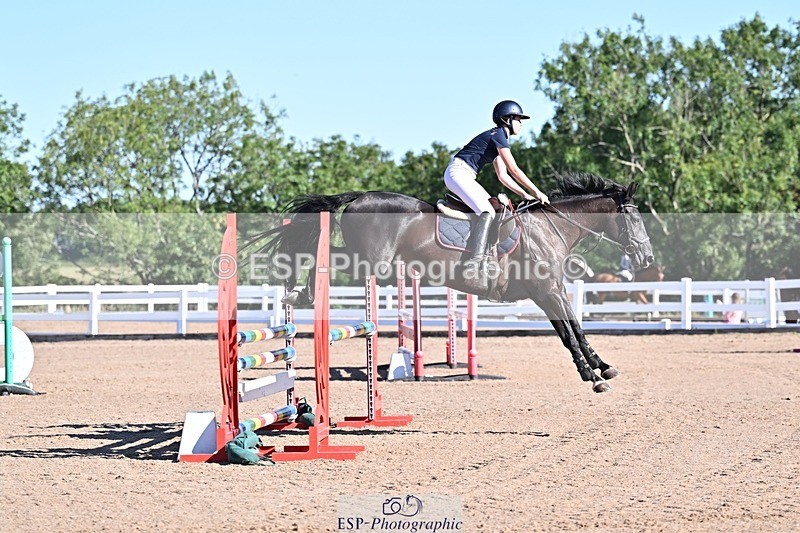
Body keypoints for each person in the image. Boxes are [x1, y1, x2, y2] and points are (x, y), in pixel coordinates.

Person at [444, 100, 550, 289]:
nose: (521, 123)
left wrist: (525, 195)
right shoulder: (498, 135)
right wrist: (537, 192)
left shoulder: (497, 138)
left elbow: (503, 177)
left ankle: (485, 256)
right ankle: (475, 261)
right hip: (458, 172)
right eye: (518, 118)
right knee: (488, 211)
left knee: (494, 207)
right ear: (507, 119)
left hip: (464, 174)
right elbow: (514, 170)